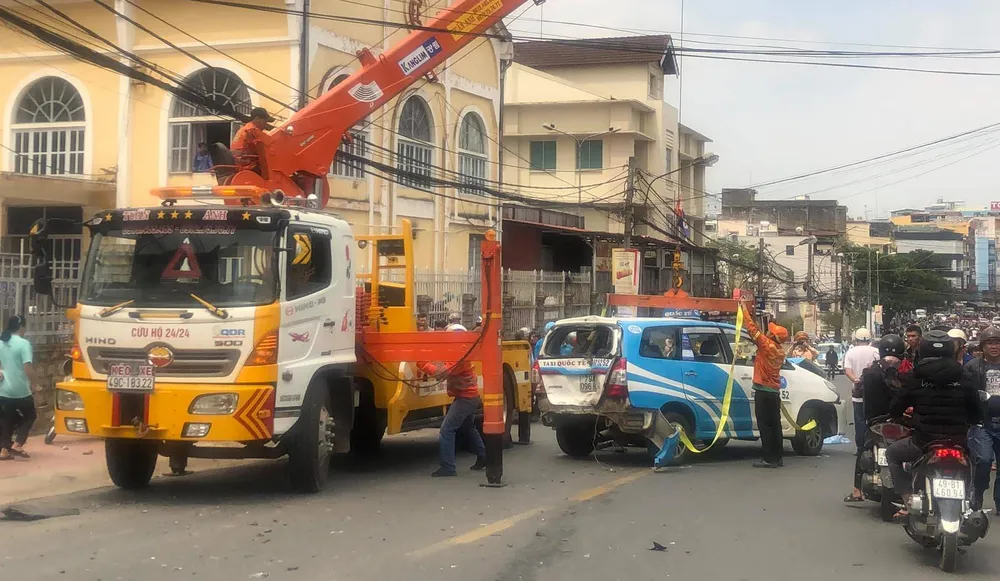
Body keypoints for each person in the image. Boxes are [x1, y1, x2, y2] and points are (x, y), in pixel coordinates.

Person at [885, 330, 983, 518]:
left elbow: (896, 407)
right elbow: (976, 410)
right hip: (957, 442)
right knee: (976, 461)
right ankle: (972, 500)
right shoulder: (964, 376)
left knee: (892, 454)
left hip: (923, 441)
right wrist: (973, 421)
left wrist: (901, 417)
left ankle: (907, 501)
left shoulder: (915, 377)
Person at [417, 325, 486, 477]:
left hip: (465, 398)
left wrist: (422, 363)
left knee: (446, 430)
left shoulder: (459, 354)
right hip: (469, 396)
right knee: (468, 427)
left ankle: (448, 467)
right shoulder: (462, 350)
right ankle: (483, 456)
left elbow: (443, 372)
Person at [844, 333, 906, 503]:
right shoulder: (906, 370)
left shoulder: (871, 370)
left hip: (875, 421)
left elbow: (857, 390)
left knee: (864, 449)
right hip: (900, 420)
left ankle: (857, 491)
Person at [740, 299, 788, 469]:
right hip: (774, 392)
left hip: (763, 391)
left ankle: (768, 458)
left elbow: (752, 329)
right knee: (776, 425)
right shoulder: (780, 352)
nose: (768, 332)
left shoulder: (766, 345)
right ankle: (778, 457)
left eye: (771, 331)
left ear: (772, 336)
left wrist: (744, 309)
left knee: (765, 426)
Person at [962, 326, 1000, 513]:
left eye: (997, 342)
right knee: (983, 461)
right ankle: (977, 493)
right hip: (982, 423)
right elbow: (965, 393)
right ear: (983, 346)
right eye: (990, 343)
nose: (994, 346)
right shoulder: (972, 367)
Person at [0, 316, 36, 461]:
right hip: (20, 390)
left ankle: (4, 450)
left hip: (3, 390)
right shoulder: (23, 344)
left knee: (7, 419)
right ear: (21, 327)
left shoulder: (2, 342)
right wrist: (35, 383)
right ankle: (18, 444)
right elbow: (27, 366)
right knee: (30, 415)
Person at [843, 328, 880, 454]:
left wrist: (857, 380)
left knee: (859, 420)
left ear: (856, 339)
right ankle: (874, 445)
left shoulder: (851, 352)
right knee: (874, 419)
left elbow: (848, 371)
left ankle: (860, 447)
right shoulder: (876, 351)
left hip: (858, 392)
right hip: (874, 392)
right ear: (870, 338)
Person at [230, 107, 275, 174]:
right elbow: (267, 145)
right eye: (265, 122)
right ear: (257, 119)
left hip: (240, 162)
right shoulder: (252, 130)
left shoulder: (245, 128)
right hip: (246, 165)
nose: (266, 126)